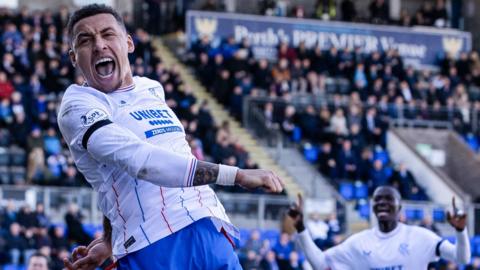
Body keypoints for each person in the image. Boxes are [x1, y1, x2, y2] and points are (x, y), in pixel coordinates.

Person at [59, 4, 284, 270]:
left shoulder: (151, 88)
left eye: (108, 34)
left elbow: (114, 177)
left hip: (207, 225)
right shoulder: (78, 104)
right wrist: (235, 175)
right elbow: (137, 160)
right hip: (153, 243)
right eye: (85, 40)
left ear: (128, 43)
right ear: (74, 57)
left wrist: (109, 238)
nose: (99, 45)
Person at [288, 186, 471, 269]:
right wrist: (301, 229)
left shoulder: (421, 237)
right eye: (378, 199)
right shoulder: (359, 243)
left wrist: (461, 232)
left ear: (400, 207)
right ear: (373, 207)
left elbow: (462, 258)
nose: (382, 203)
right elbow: (320, 264)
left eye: (388, 199)